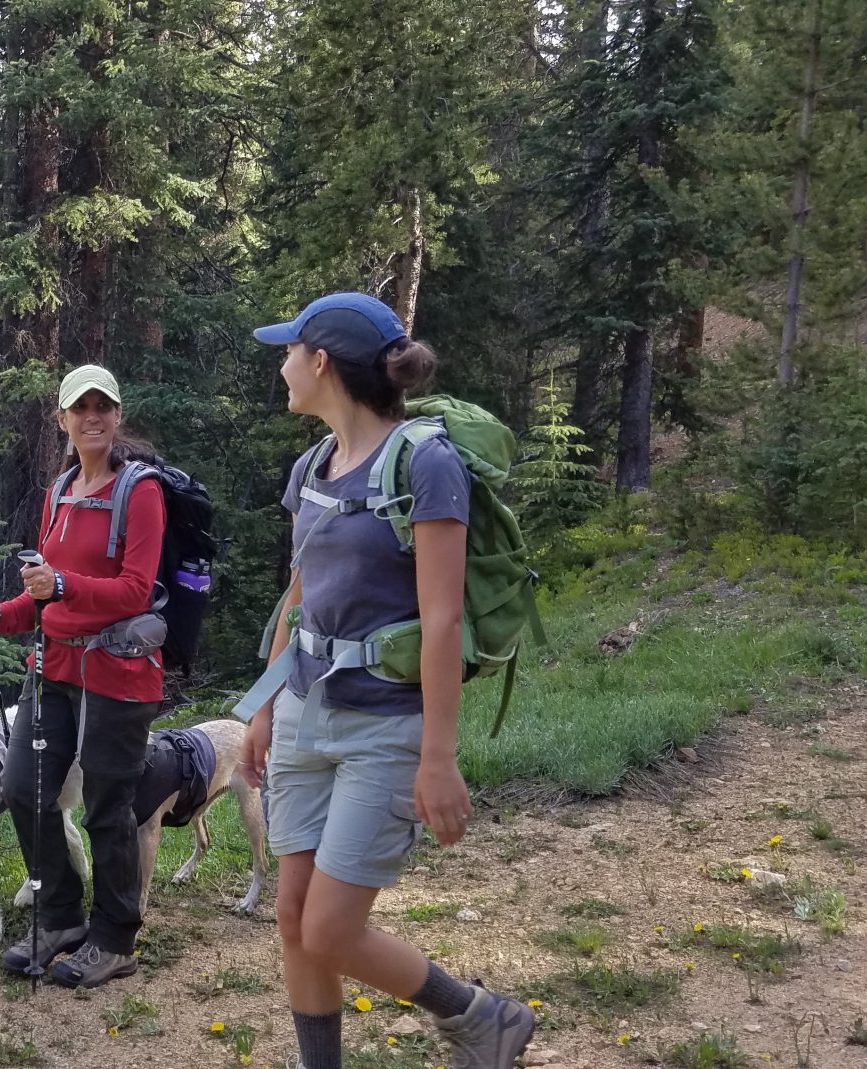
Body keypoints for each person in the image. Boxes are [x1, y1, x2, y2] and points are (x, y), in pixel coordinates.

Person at [241, 293, 536, 1069]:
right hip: (305, 712)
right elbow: (298, 601)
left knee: (331, 929)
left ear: (323, 363)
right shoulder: (311, 466)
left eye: (289, 351)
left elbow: (442, 622)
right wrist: (264, 710)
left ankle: (479, 1015)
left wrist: (438, 757)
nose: (282, 366)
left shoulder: (426, 464)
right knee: (292, 913)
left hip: (384, 727)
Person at [0, 364, 165, 989]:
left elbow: (136, 590)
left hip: (119, 669)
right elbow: (44, 596)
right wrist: (2, 614)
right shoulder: (60, 493)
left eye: (103, 406)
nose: (93, 417)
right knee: (23, 786)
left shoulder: (141, 492)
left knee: (109, 805)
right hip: (54, 666)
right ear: (63, 420)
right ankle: (59, 917)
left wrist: (63, 585)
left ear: (118, 415)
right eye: (81, 408)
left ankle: (114, 937)